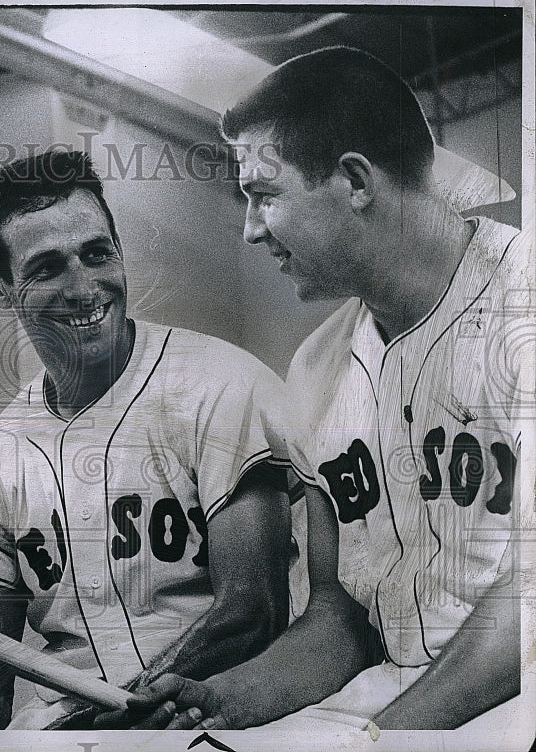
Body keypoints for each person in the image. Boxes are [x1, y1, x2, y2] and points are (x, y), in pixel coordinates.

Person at [100, 46, 529, 734]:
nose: (249, 230)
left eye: (264, 196)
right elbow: (339, 617)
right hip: (388, 698)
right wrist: (230, 697)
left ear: (355, 180)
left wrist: (387, 737)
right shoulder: (316, 368)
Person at [0, 150, 298, 729]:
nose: (84, 288)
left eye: (96, 254)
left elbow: (254, 612)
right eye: (47, 268)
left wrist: (121, 708)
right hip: (71, 732)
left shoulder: (218, 383)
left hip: (217, 716)